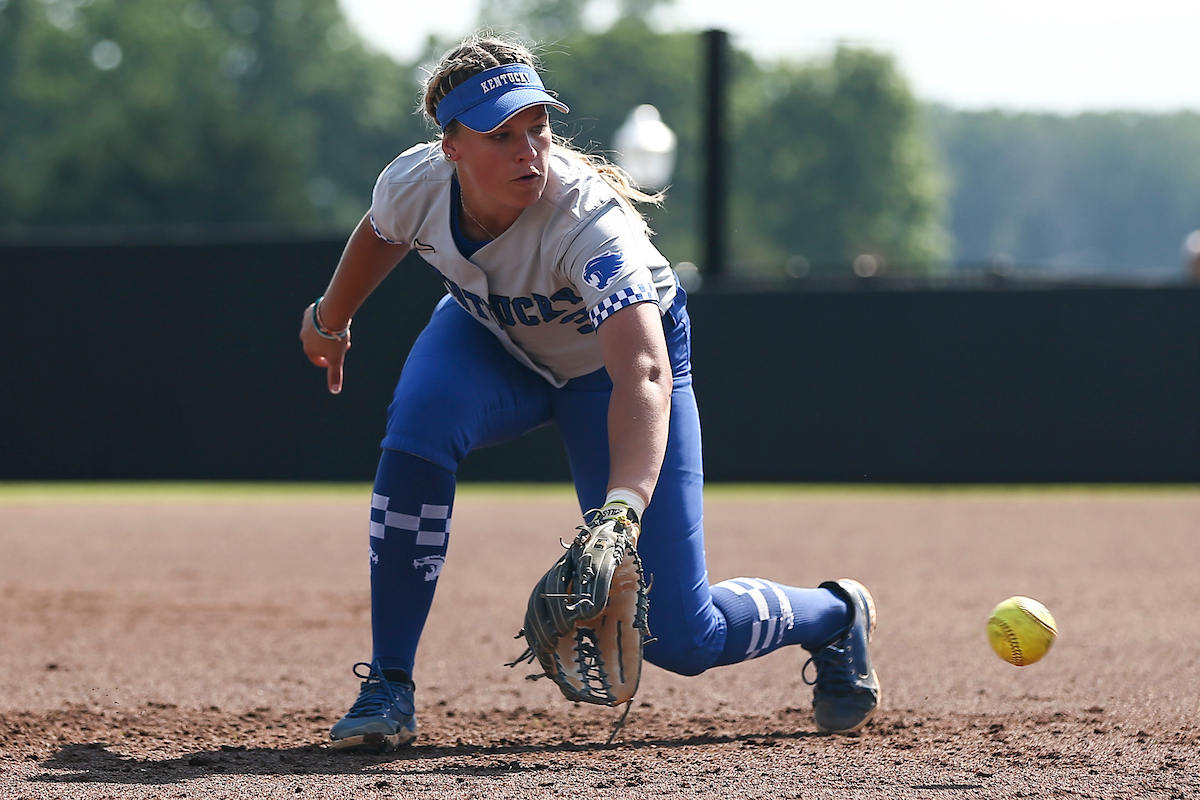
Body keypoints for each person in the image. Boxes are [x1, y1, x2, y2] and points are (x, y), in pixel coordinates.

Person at [299, 33, 880, 751]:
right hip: (491, 342)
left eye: (538, 127)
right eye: (502, 134)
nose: (529, 150)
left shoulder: (590, 223)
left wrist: (622, 509)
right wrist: (331, 319)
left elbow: (641, 371)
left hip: (608, 377)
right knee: (420, 421)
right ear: (451, 148)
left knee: (682, 638)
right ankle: (388, 684)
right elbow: (383, 232)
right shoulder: (415, 182)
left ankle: (834, 614)